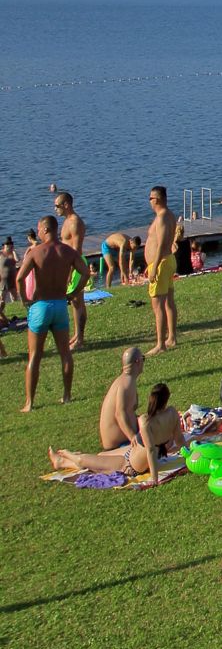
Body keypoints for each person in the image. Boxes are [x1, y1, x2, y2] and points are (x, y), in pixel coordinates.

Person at [49, 355, 181, 479]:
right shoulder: (171, 415)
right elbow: (173, 442)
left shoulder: (145, 420)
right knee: (96, 458)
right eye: (143, 358)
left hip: (128, 464)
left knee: (85, 461)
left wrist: (154, 478)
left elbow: (151, 450)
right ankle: (66, 459)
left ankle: (62, 460)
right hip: (130, 455)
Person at [18, 216, 82, 411]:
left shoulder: (36, 252)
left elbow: (20, 278)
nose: (37, 232)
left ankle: (29, 403)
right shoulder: (68, 251)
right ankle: (67, 396)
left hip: (41, 306)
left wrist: (24, 300)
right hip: (60, 305)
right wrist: (73, 292)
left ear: (45, 229)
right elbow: (86, 272)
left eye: (38, 229)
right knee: (65, 353)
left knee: (35, 355)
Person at [143, 185, 179, 354]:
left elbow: (162, 245)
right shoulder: (166, 215)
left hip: (162, 263)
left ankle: (160, 344)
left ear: (156, 199)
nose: (149, 202)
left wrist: (154, 267)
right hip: (164, 262)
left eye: (150, 198)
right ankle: (171, 337)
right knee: (168, 302)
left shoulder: (163, 217)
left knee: (158, 305)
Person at [54, 192, 88, 351]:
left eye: (57, 206)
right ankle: (77, 335)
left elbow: (76, 251)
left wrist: (69, 272)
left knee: (77, 301)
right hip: (69, 264)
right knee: (75, 303)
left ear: (66, 204)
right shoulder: (67, 221)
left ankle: (80, 339)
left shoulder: (75, 222)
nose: (55, 209)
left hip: (75, 264)